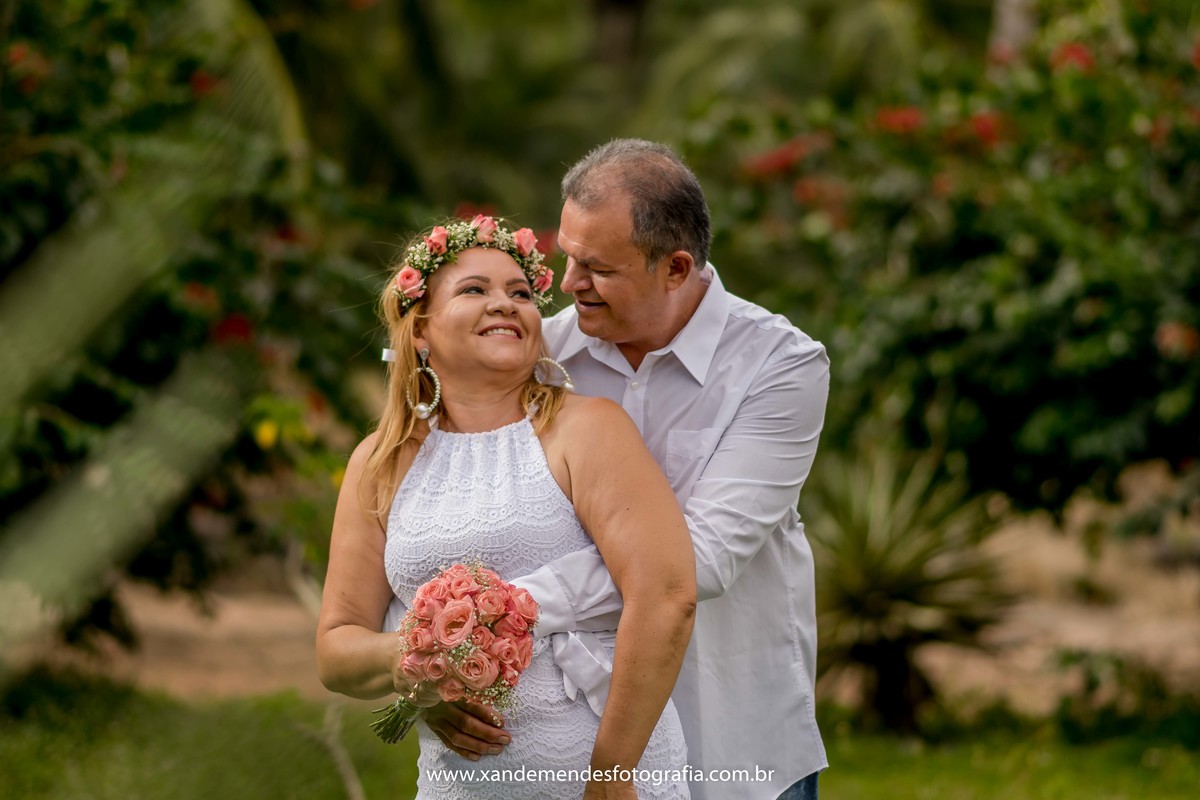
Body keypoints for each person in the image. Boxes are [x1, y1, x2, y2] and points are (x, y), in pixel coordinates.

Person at [422, 140, 830, 800]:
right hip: (564, 743)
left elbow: (699, 561)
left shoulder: (780, 366)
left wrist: (502, 608)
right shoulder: (542, 356)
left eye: (597, 267)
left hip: (736, 740)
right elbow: (458, 507)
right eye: (568, 257)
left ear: (675, 268)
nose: (569, 282)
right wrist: (434, 657)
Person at [316, 215, 697, 799]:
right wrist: (420, 666)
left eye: (520, 293)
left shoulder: (586, 430)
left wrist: (612, 779)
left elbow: (667, 596)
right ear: (420, 329)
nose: (506, 304)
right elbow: (337, 648)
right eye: (475, 290)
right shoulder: (381, 461)